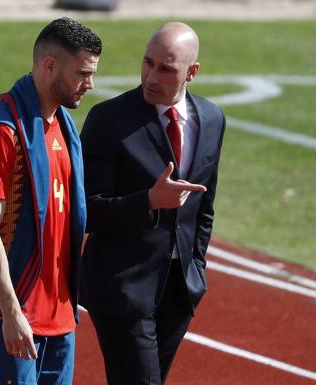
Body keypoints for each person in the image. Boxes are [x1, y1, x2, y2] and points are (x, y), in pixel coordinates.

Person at [79, 21, 226, 385]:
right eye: (147, 63)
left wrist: (197, 267)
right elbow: (87, 210)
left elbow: (204, 207)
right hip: (122, 289)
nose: (151, 76)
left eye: (166, 68)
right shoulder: (109, 120)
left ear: (191, 72)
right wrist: (148, 201)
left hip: (179, 291)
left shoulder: (211, 119)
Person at [0, 17, 101, 385]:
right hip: (12, 314)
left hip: (60, 317)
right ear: (50, 65)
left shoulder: (64, 129)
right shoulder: (2, 132)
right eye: (83, 73)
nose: (90, 85)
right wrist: (9, 310)